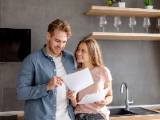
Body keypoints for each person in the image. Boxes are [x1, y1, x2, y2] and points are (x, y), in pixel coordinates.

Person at [16, 19, 76, 120]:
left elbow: (74, 85)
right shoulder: (32, 60)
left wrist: (73, 94)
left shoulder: (70, 58)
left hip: (67, 117)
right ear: (48, 36)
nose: (60, 46)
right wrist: (47, 87)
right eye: (57, 41)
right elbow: (21, 93)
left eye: (64, 42)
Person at [67, 38, 113, 120]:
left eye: (83, 51)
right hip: (80, 116)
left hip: (98, 115)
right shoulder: (75, 73)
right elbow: (75, 104)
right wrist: (72, 98)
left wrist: (104, 101)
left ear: (92, 54)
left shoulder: (103, 71)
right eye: (78, 49)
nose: (78, 53)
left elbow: (110, 95)